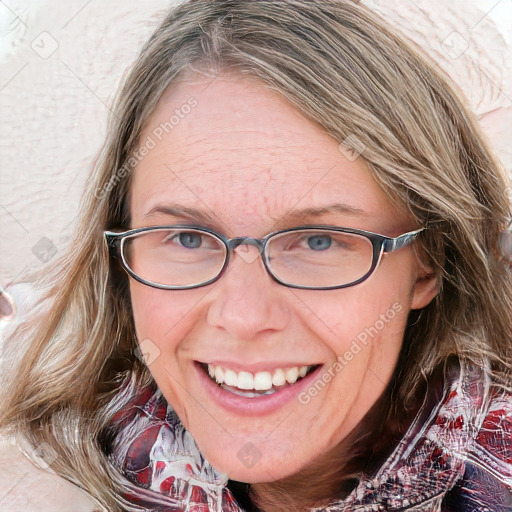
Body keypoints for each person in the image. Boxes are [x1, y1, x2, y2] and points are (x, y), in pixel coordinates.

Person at [1, 1, 511, 511]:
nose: (243, 316)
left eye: (318, 241)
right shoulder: (40, 470)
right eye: (188, 238)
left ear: (428, 262)